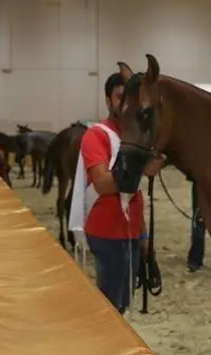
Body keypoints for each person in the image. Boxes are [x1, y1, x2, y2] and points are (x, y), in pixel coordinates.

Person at [68, 73, 163, 314]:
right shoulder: (96, 135)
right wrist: (141, 167)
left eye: (128, 98)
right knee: (110, 308)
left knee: (123, 303)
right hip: (107, 232)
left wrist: (143, 237)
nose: (124, 103)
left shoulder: (132, 138)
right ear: (109, 101)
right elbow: (102, 183)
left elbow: (135, 192)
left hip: (130, 232)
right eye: (119, 97)